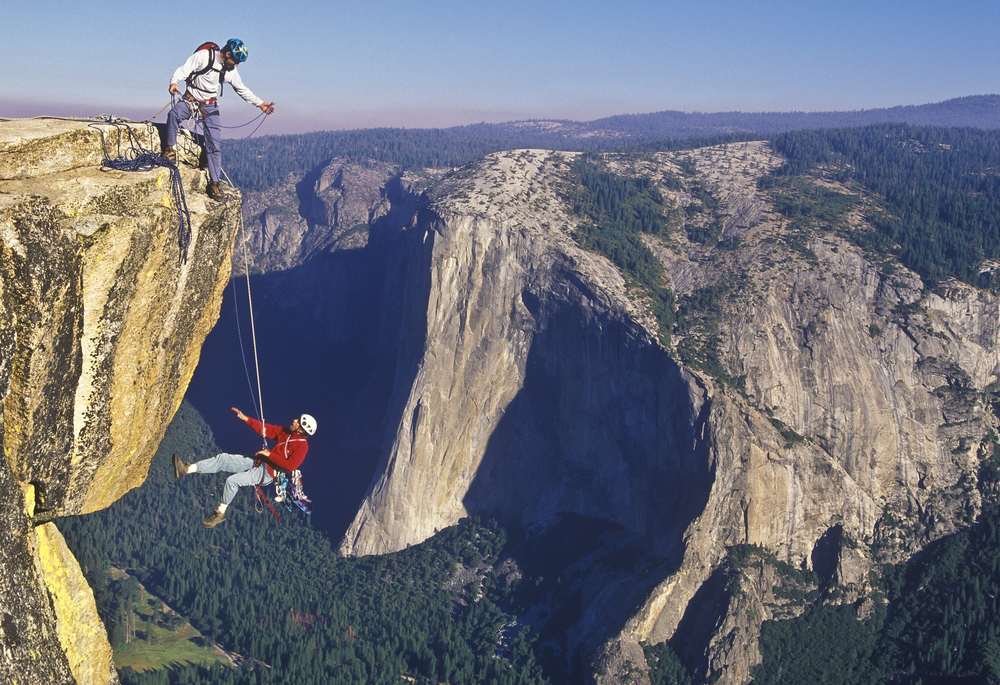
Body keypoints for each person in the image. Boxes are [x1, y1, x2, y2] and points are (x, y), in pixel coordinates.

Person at [161, 38, 275, 200]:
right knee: (174, 114)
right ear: (227, 54)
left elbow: (241, 89)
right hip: (190, 100)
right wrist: (174, 83)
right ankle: (170, 149)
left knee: (214, 144)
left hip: (210, 106)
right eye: (235, 60)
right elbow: (183, 70)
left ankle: (214, 183)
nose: (236, 65)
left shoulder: (230, 70)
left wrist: (260, 104)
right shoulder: (203, 57)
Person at [173, 407, 316, 528]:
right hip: (259, 462)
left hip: (267, 473)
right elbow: (267, 429)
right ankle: (186, 469)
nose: (294, 420)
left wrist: (269, 455)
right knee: (223, 459)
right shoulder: (287, 433)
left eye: (298, 421)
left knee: (232, 481)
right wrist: (245, 419)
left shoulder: (302, 446)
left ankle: (219, 513)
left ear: (301, 429)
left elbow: (290, 466)